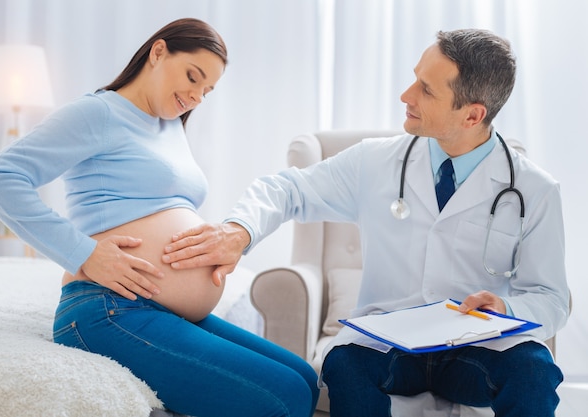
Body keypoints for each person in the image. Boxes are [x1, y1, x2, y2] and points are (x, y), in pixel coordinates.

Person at [162, 29, 570, 416]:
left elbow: (550, 298)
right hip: (387, 343)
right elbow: (288, 190)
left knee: (534, 369)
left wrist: (506, 306)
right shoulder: (375, 162)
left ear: (472, 115)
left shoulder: (534, 190)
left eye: (426, 90)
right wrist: (239, 230)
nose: (406, 95)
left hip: (477, 347)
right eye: (415, 79)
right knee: (345, 364)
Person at [0, 18, 319, 417]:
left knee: (305, 379)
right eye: (193, 76)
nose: (197, 96)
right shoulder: (98, 112)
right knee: (285, 395)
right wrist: (83, 253)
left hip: (156, 308)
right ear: (158, 52)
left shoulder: (169, 126)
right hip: (108, 308)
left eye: (207, 90)